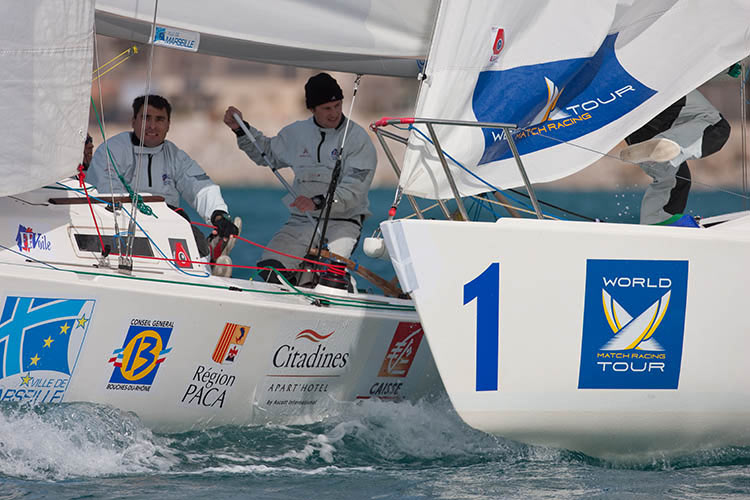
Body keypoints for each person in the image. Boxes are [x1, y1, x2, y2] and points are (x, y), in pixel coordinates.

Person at [223, 72, 377, 284]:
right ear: (312, 109)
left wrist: (316, 202)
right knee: (270, 270)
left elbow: (354, 190)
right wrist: (240, 129)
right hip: (301, 221)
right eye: (326, 108)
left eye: (338, 106)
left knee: (327, 279)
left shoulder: (358, 139)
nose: (334, 114)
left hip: (343, 222)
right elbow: (265, 153)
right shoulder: (297, 133)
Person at [87, 95, 239, 274]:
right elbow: (106, 190)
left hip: (169, 224)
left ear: (168, 125)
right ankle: (208, 258)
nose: (152, 126)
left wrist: (218, 215)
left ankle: (208, 263)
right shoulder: (112, 149)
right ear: (133, 121)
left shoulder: (175, 156)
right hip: (121, 224)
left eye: (159, 119)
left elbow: (198, 186)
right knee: (180, 233)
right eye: (146, 118)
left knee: (189, 233)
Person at [619, 89, 730, 225]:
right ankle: (667, 145)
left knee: (674, 177)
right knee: (717, 126)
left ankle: (657, 222)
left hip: (621, 111)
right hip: (658, 91)